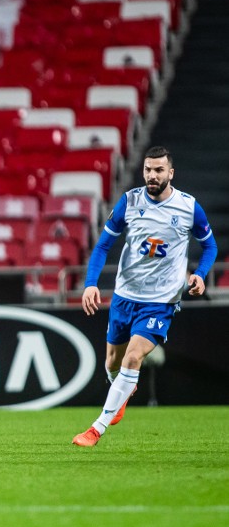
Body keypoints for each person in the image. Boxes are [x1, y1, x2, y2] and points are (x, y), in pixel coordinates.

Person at [73, 146, 218, 446]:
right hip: (125, 295)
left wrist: (200, 276)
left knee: (133, 356)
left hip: (161, 301)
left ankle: (96, 429)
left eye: (159, 170)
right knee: (112, 362)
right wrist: (90, 283)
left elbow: (210, 247)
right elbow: (101, 246)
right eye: (148, 170)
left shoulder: (189, 208)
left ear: (171, 173)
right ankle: (124, 389)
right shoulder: (130, 201)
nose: (153, 175)